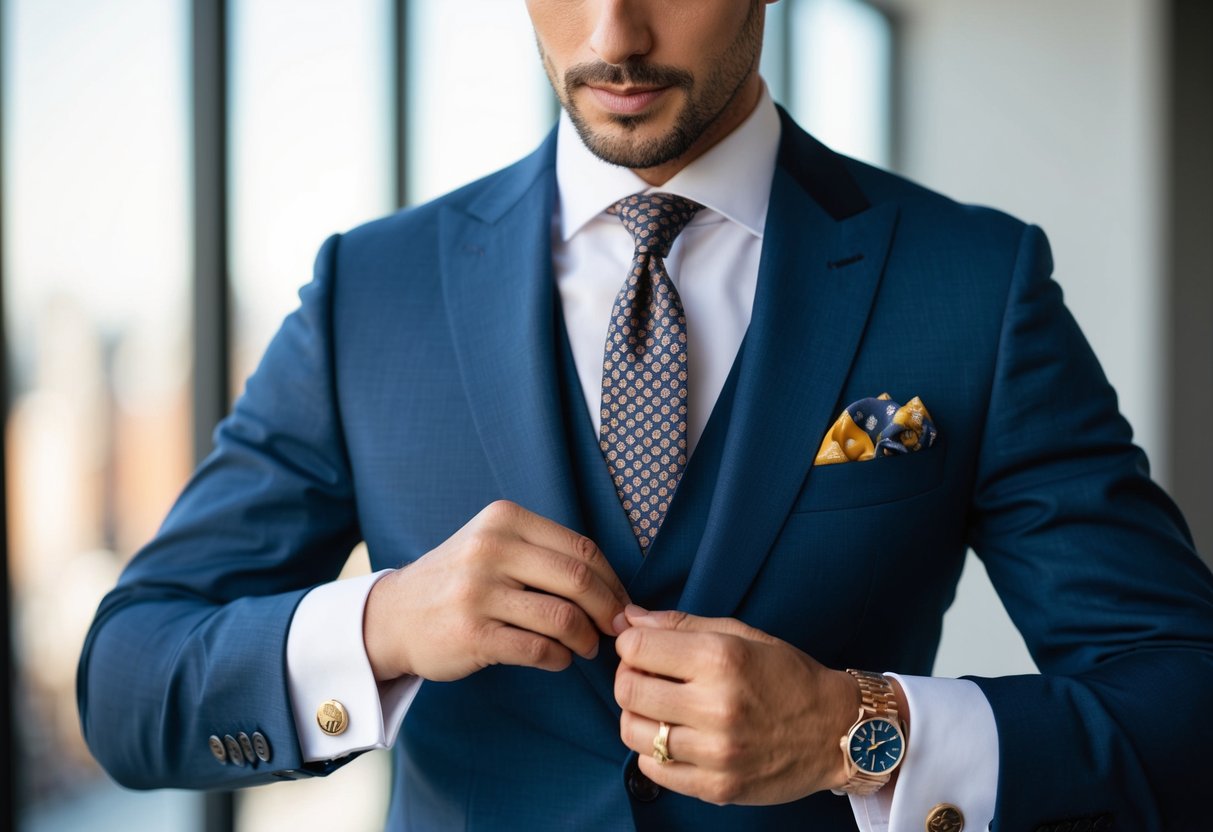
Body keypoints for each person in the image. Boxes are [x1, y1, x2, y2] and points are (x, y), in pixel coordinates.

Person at [78, 1, 1213, 830]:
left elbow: (1183, 705)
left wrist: (851, 732)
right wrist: (380, 625)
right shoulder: (371, 292)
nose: (612, 36)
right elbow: (129, 687)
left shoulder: (972, 282)